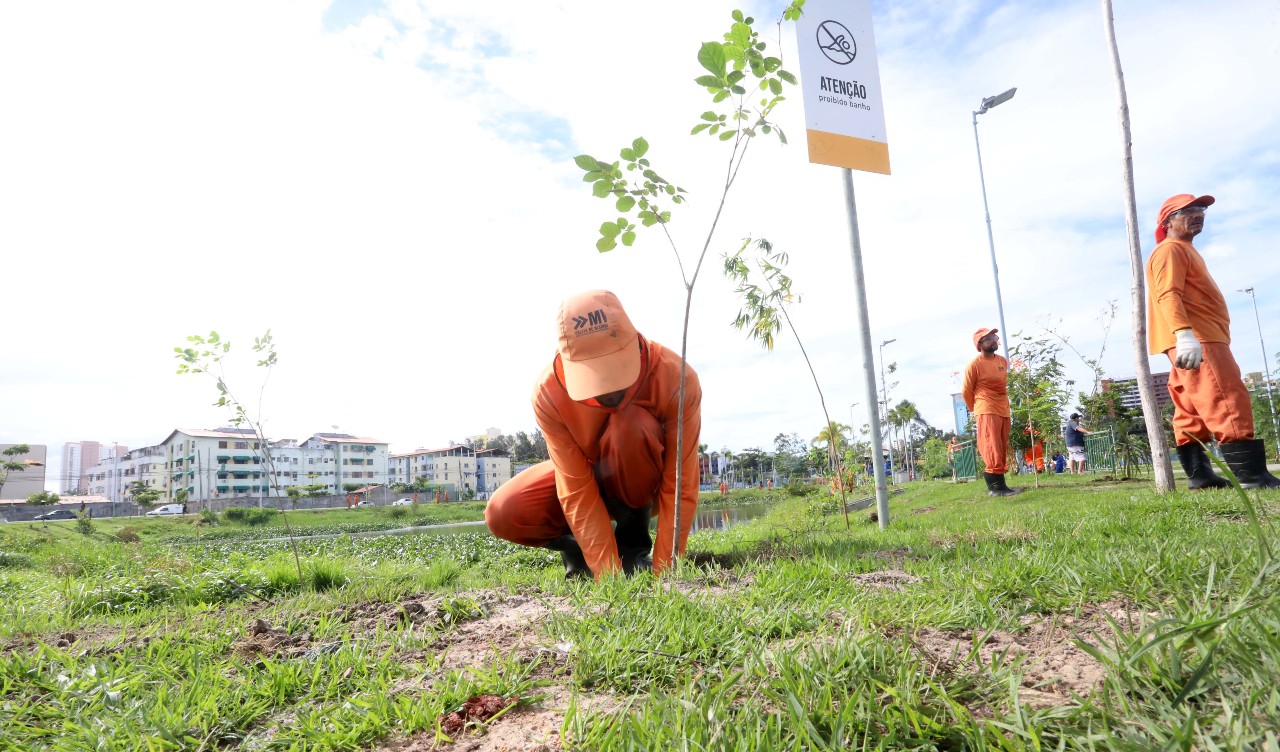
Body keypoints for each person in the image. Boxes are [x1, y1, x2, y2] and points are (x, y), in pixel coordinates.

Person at [485, 290, 702, 579]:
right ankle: (580, 553)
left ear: (633, 342)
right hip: (586, 474)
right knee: (504, 511)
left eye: (613, 367)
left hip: (640, 481)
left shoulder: (677, 379)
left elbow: (680, 484)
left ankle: (631, 546)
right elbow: (575, 488)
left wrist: (666, 574)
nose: (607, 389)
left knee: (629, 424)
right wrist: (608, 577)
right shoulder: (548, 394)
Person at [1147, 193, 1280, 489]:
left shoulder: (1182, 249)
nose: (1198, 214)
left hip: (1194, 337)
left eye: (1201, 210)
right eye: (1187, 211)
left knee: (1190, 408)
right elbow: (1168, 294)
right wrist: (1184, 334)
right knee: (1225, 396)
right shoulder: (1170, 249)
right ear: (1167, 222)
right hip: (1199, 337)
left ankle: (1201, 477)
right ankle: (1251, 476)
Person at [962, 327, 1019, 496]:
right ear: (980, 344)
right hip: (986, 407)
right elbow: (966, 391)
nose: (994, 340)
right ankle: (995, 488)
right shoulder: (974, 365)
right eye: (989, 338)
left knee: (1001, 445)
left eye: (995, 337)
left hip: (1003, 407)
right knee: (991, 444)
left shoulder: (1002, 361)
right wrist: (976, 410)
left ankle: (1002, 486)